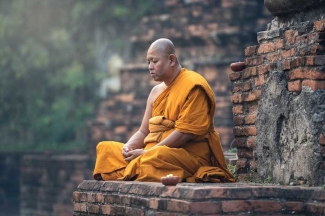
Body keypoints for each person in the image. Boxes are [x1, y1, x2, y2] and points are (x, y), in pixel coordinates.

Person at [93, 38, 235, 183]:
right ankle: (136, 166)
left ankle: (136, 168)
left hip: (185, 155)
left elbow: (184, 133)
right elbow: (143, 131)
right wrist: (129, 147)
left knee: (156, 157)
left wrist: (147, 153)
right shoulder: (155, 92)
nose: (150, 66)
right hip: (151, 152)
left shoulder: (193, 86)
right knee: (105, 149)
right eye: (148, 62)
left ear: (171, 60)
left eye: (155, 61)